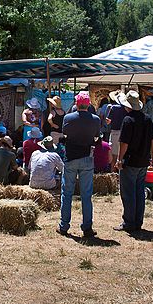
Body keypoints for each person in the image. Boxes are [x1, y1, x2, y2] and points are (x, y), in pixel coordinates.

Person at [57, 92, 101, 238]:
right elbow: (96, 136)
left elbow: (65, 133)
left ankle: (64, 226)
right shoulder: (95, 119)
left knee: (67, 193)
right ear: (88, 104)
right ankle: (87, 227)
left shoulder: (68, 118)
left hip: (71, 157)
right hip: (87, 158)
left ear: (76, 104)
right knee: (86, 195)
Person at [114, 90, 153, 232]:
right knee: (139, 192)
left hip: (130, 161)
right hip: (143, 161)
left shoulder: (128, 120)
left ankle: (129, 222)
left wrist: (120, 159)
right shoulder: (147, 119)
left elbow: (124, 143)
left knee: (128, 193)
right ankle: (138, 221)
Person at [105, 90, 127, 169]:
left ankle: (113, 174)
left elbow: (108, 121)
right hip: (124, 133)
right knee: (122, 155)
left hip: (115, 132)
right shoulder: (127, 108)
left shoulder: (113, 107)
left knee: (114, 156)